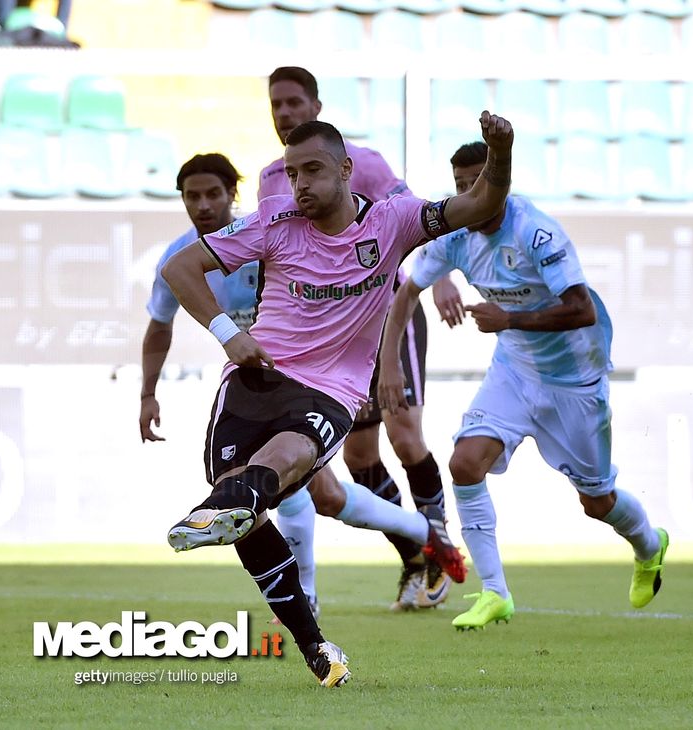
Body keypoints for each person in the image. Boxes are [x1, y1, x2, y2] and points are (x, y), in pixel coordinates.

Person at [162, 113, 514, 686]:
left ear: (347, 171)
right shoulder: (273, 223)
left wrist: (499, 155)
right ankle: (316, 646)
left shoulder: (395, 221)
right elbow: (180, 267)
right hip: (255, 379)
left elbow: (477, 207)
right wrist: (231, 334)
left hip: (330, 391)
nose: (299, 184)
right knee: (248, 521)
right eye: (293, 172)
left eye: (313, 171)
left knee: (285, 461)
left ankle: (242, 496)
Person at [140, 154, 455, 624]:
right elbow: (159, 327)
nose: (204, 205)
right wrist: (148, 392)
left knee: (289, 487)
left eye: (214, 194)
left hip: (318, 374)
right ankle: (422, 534)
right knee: (322, 495)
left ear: (234, 196)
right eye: (192, 196)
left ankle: (308, 593)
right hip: (261, 380)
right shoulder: (184, 255)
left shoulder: (272, 232)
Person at [377, 141, 669, 631]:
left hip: (575, 379)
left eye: (477, 183)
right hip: (514, 370)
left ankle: (648, 545)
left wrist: (509, 316)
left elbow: (582, 309)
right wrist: (389, 364)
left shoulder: (535, 231)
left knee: (597, 502)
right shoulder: (456, 234)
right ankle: (495, 593)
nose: (467, 194)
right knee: (465, 464)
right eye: (459, 185)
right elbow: (407, 290)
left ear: (499, 183)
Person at [259, 66, 462, 611]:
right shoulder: (270, 178)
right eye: (275, 104)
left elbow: (418, 218)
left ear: (317, 105)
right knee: (358, 457)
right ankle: (416, 555)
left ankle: (441, 550)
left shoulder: (360, 163)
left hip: (388, 314)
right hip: (330, 335)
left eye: (294, 102)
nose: (284, 113)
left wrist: (438, 277)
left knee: (405, 433)